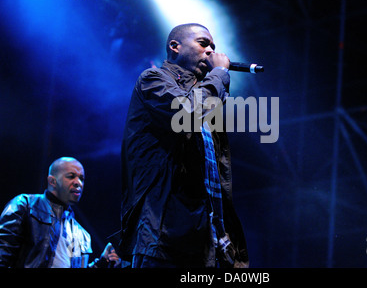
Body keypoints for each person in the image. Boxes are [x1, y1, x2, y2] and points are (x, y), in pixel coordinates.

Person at [120, 23, 249, 268]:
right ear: (175, 46)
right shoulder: (152, 80)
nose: (211, 51)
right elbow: (187, 112)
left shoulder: (206, 100)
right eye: (203, 43)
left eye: (213, 46)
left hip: (204, 243)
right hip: (163, 237)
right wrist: (219, 75)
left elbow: (215, 178)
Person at [0, 157, 121, 268]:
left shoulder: (82, 235)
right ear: (52, 181)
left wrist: (102, 261)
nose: (78, 182)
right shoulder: (26, 205)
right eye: (71, 176)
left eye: (81, 178)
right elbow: (3, 252)